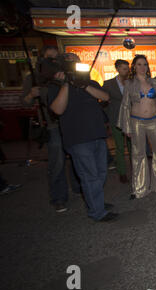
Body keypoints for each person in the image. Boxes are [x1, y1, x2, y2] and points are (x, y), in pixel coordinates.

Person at [48, 53, 118, 222]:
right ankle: (97, 212)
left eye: (76, 60)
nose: (74, 63)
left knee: (101, 173)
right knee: (90, 176)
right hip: (78, 139)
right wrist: (67, 84)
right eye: (70, 60)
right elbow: (57, 110)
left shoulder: (89, 83)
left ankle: (96, 203)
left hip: (97, 135)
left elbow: (106, 97)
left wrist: (83, 84)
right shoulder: (56, 86)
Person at [21, 45, 81, 213]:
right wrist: (31, 95)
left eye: (56, 58)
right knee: (57, 163)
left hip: (71, 123)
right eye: (49, 58)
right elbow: (24, 102)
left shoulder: (65, 74)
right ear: (41, 59)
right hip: (53, 125)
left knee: (77, 157)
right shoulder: (34, 78)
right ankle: (59, 197)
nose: (53, 61)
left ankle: (78, 187)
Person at [117, 55, 156, 199]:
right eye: (139, 64)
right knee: (138, 154)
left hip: (154, 121)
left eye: (145, 64)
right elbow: (125, 105)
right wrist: (127, 127)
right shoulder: (129, 84)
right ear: (134, 67)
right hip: (136, 122)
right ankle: (139, 188)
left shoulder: (154, 82)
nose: (143, 67)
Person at [102, 59, 131, 183]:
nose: (126, 71)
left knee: (132, 146)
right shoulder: (108, 84)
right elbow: (103, 102)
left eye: (127, 68)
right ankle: (122, 172)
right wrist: (108, 118)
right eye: (124, 68)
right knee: (119, 147)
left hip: (131, 118)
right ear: (118, 69)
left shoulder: (132, 82)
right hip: (116, 119)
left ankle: (136, 169)